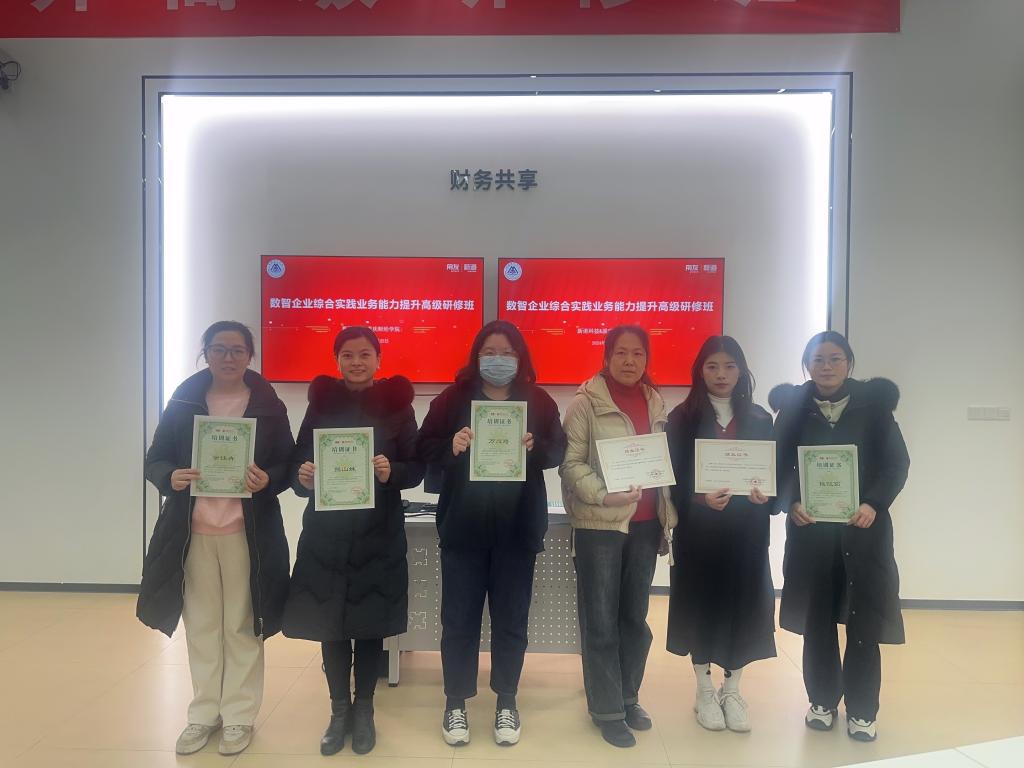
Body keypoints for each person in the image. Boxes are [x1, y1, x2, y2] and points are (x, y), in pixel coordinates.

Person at [137, 321, 294, 757]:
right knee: (202, 624)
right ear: (205, 353)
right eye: (219, 349)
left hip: (248, 532)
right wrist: (170, 476)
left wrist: (269, 479)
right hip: (192, 532)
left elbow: (287, 462)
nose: (228, 357)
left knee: (242, 625)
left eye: (237, 350)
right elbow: (155, 459)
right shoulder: (184, 400)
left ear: (250, 356)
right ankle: (203, 714)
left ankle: (239, 715)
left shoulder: (268, 405)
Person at [416, 320, 567, 747]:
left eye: (507, 352)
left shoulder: (538, 401)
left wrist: (536, 447)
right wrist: (451, 446)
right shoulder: (453, 399)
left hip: (518, 530)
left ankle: (507, 700)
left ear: (520, 358)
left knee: (511, 620)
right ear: (476, 356)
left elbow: (559, 448)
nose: (498, 359)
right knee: (458, 620)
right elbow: (422, 446)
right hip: (463, 530)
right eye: (490, 352)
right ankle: (455, 702)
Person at [283, 326, 424, 756]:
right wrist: (303, 477)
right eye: (348, 355)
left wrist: (392, 472)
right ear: (337, 360)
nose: (357, 362)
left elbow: (416, 466)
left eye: (365, 354)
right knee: (330, 625)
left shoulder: (398, 406)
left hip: (377, 532)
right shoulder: (321, 404)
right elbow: (297, 464)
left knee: (368, 625)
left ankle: (364, 710)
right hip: (326, 534)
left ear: (379, 359)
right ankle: (338, 711)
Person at [770, 330, 910, 743]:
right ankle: (822, 701)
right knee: (817, 621)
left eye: (835, 358)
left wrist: (874, 503)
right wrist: (791, 502)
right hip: (811, 533)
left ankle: (863, 710)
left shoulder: (875, 408)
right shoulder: (793, 410)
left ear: (849, 363)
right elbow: (776, 466)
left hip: (863, 531)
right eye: (818, 360)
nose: (826, 366)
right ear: (806, 366)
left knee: (863, 622)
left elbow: (896, 465)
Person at [559, 324, 677, 748]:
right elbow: (571, 465)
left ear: (647, 359)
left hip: (645, 526)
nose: (630, 361)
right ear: (607, 357)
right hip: (600, 527)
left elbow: (661, 463)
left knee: (634, 619)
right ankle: (607, 710)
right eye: (621, 352)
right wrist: (604, 495)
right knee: (601, 622)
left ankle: (629, 697)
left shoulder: (655, 401)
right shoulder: (585, 403)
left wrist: (667, 514)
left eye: (638, 353)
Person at [665, 336, 776, 733]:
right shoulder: (682, 418)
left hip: (746, 534)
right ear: (700, 371)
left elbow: (773, 474)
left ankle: (732, 690)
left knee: (742, 605)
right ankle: (703, 690)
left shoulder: (761, 419)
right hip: (699, 534)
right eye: (712, 366)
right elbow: (671, 476)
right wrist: (697, 499)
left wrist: (766, 495)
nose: (721, 374)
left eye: (729, 366)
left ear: (741, 370)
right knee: (700, 605)